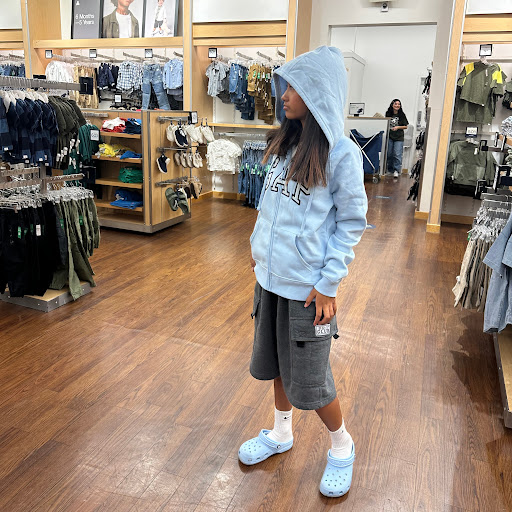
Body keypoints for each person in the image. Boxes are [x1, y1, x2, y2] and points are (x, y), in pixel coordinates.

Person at [239, 46, 368, 498]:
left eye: (293, 87)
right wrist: (259, 250)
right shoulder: (285, 143)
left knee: (312, 380)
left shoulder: (341, 154)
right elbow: (269, 206)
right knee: (276, 363)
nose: (284, 95)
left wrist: (329, 284)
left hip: (310, 292)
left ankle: (342, 445)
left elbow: (352, 223)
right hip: (270, 282)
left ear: (317, 93)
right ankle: (281, 432)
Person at [385, 99, 409, 178]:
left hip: (399, 137)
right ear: (392, 105)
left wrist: (398, 127)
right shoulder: (388, 113)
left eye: (399, 104)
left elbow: (405, 126)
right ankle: (390, 169)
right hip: (390, 136)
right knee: (389, 154)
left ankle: (396, 170)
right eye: (395, 104)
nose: (397, 105)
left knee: (397, 154)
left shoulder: (402, 115)